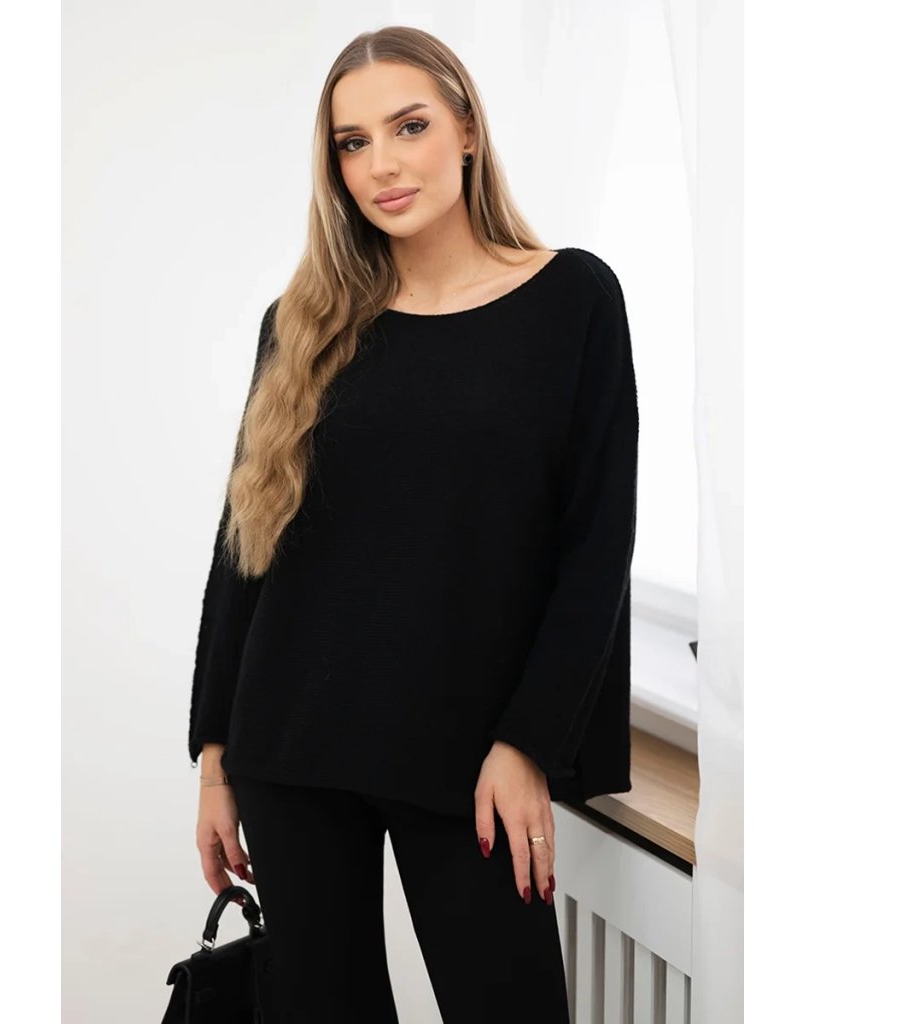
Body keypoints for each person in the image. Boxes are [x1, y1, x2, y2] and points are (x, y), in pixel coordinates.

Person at [186, 25, 638, 1024]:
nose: (381, 164)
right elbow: (244, 548)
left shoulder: (571, 300)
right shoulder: (301, 322)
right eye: (352, 143)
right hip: (292, 745)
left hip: (472, 756)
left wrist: (527, 743)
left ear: (467, 129)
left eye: (409, 126)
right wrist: (214, 754)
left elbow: (596, 548)